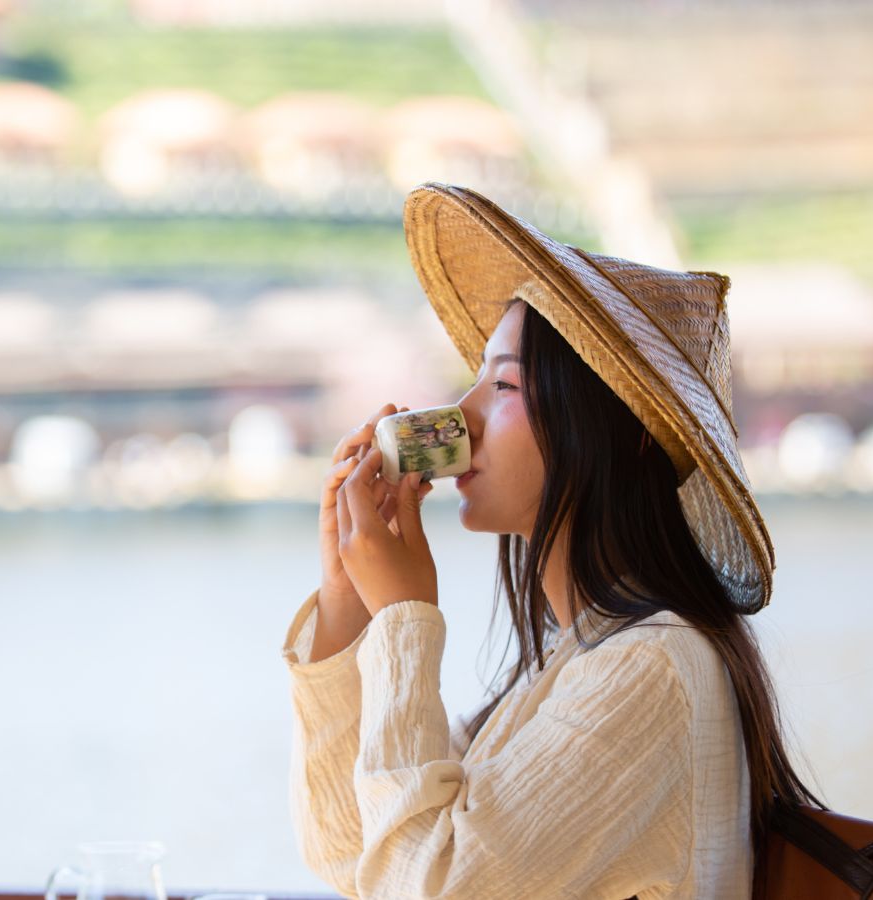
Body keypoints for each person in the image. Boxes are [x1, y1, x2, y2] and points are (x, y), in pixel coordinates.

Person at [281, 184, 824, 899]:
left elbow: (427, 888)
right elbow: (356, 857)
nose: (460, 416)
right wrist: (349, 607)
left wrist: (404, 620)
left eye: (503, 386)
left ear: (615, 432)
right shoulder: (574, 660)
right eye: (475, 379)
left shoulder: (651, 666)